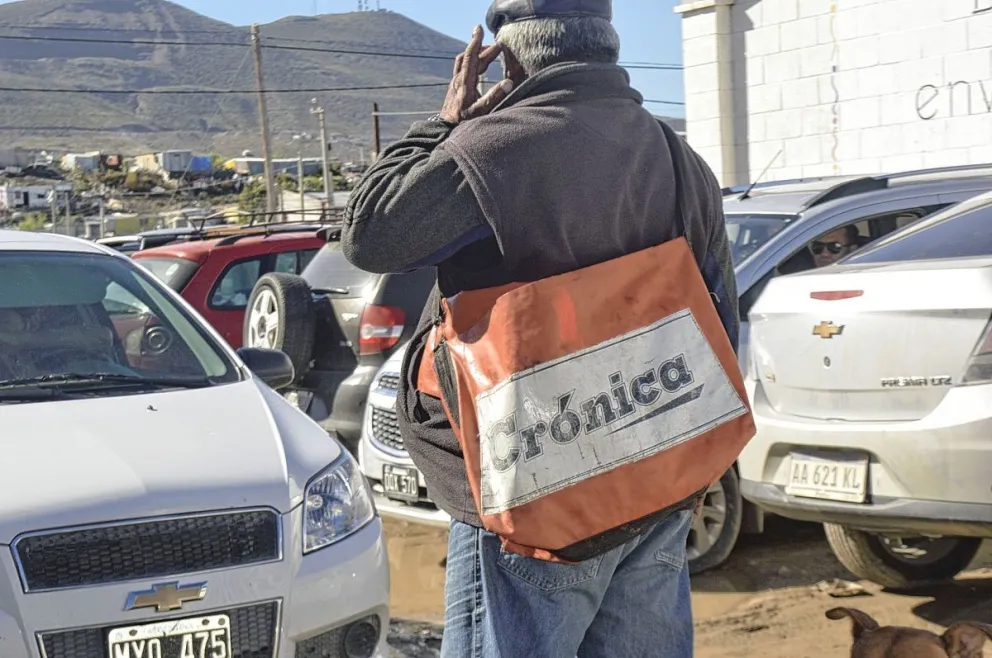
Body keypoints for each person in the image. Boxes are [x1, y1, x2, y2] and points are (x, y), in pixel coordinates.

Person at [342, 2, 744, 656]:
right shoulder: (680, 161)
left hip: (530, 507)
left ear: (509, 59)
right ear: (607, 46)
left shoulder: (492, 152)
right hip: (653, 495)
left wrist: (443, 123)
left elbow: (369, 232)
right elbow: (721, 327)